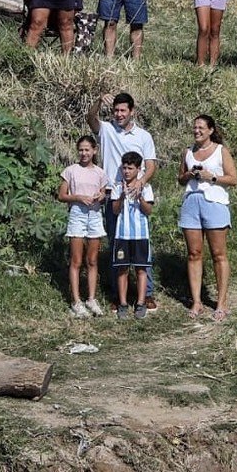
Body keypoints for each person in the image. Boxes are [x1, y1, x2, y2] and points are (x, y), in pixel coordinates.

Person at [86, 92, 160, 310]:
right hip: (112, 194)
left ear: (132, 111)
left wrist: (141, 182)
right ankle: (118, 296)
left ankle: (145, 293)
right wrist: (98, 101)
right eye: (116, 110)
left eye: (123, 111)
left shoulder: (144, 136)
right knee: (115, 244)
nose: (118, 114)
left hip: (137, 196)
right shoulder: (107, 130)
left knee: (141, 243)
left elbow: (151, 164)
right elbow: (91, 119)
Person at [177, 115, 237, 322]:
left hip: (214, 203)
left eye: (201, 127)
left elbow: (233, 179)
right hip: (191, 203)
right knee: (194, 253)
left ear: (211, 130)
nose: (197, 131)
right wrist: (189, 175)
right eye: (194, 127)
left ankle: (221, 303)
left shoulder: (221, 151)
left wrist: (211, 177)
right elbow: (180, 178)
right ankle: (197, 302)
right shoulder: (188, 152)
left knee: (218, 254)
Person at [58, 135, 110, 318]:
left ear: (94, 150)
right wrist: (79, 197)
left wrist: (101, 196)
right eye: (81, 150)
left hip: (95, 216)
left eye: (87, 149)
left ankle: (91, 298)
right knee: (76, 260)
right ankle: (76, 300)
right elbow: (62, 195)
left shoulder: (100, 172)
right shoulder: (71, 171)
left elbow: (104, 192)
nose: (84, 153)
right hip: (77, 216)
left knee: (92, 260)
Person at [110, 151, 156, 321]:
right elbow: (115, 210)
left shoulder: (146, 187)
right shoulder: (117, 186)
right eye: (124, 168)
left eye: (130, 168)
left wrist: (140, 198)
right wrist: (122, 195)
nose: (127, 171)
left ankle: (141, 303)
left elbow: (148, 211)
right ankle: (122, 304)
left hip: (140, 235)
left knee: (141, 269)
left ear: (138, 169)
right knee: (122, 269)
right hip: (122, 235)